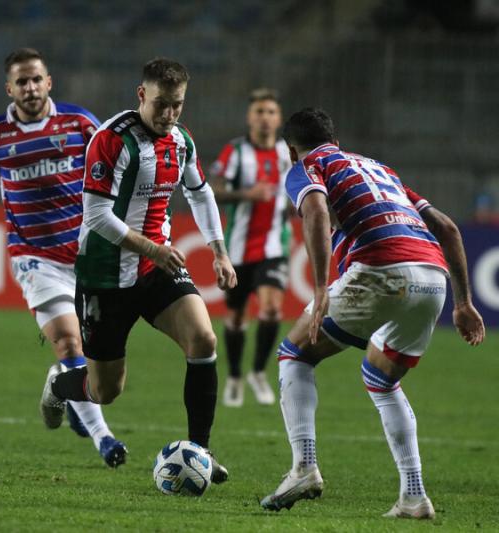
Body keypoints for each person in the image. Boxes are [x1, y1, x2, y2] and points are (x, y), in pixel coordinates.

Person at [260, 108, 485, 518]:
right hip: (432, 278)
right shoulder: (379, 168)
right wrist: (464, 302)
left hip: (382, 267)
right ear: (336, 139)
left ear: (290, 148)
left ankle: (304, 467)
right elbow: (448, 228)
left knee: (295, 355)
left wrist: (319, 286)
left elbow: (315, 210)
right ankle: (414, 496)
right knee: (381, 379)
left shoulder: (307, 165)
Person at [38, 58, 237, 483]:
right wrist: (154, 247)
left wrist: (219, 251)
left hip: (154, 269)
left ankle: (200, 451)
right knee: (106, 392)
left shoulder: (181, 141)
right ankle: (61, 384)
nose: (169, 115)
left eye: (177, 106)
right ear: (141, 94)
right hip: (105, 276)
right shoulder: (111, 140)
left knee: (203, 339)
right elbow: (95, 215)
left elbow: (200, 195)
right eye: (161, 104)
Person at [0, 47, 126, 467]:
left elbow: (114, 168)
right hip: (34, 255)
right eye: (21, 82)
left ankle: (63, 387)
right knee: (67, 340)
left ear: (49, 83)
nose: (29, 88)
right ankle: (105, 439)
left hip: (86, 253)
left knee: (98, 356)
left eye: (36, 79)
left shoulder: (80, 124)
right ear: (9, 88)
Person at [209, 88, 292, 407]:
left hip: (275, 245)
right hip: (238, 247)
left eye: (271, 112)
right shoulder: (235, 151)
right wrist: (247, 193)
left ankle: (258, 371)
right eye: (259, 112)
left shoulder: (288, 152)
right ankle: (234, 376)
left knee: (271, 309)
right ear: (249, 117)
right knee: (237, 316)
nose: (265, 118)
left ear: (279, 118)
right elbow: (214, 189)